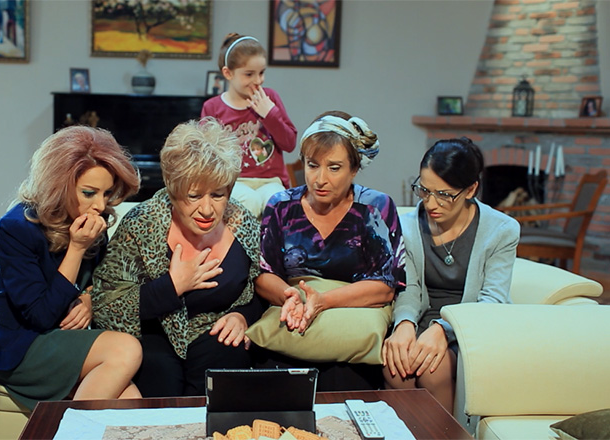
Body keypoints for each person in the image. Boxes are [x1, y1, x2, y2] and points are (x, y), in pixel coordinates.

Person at [91, 117, 263, 397]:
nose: (207, 209)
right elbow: (106, 305)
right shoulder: (142, 224)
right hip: (152, 334)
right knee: (160, 374)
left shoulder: (243, 223)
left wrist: (242, 316)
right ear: (173, 190)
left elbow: (260, 289)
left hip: (214, 334)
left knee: (229, 360)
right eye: (194, 196)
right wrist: (173, 286)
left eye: (218, 195)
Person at [0, 126, 143, 411]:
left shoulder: (92, 218)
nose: (100, 205)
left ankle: (70, 429)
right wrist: (76, 248)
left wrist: (88, 299)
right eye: (89, 193)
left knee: (131, 400)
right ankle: (73, 430)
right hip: (21, 343)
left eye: (106, 193)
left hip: (64, 337)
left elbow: (100, 279)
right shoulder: (16, 228)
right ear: (59, 185)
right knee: (126, 349)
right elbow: (40, 315)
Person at [254, 111, 406, 386]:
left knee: (343, 387)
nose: (320, 179)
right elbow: (264, 275)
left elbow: (385, 286)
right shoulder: (281, 205)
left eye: (334, 168)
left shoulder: (375, 207)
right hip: (292, 325)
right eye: (313, 165)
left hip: (353, 338)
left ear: (354, 169)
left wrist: (323, 301)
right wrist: (291, 296)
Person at [382, 137, 519, 413]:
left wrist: (443, 329)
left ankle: (449, 432)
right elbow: (409, 287)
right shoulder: (407, 226)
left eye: (444, 194)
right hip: (421, 320)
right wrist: (404, 324)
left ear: (471, 190)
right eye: (424, 190)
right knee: (395, 367)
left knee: (433, 370)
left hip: (470, 327)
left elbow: (493, 300)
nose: (431, 204)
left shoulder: (501, 230)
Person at [201, 33, 297, 217]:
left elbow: (290, 143)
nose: (258, 80)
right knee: (249, 201)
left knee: (279, 203)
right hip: (234, 182)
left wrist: (270, 114)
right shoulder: (212, 107)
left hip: (271, 181)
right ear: (228, 73)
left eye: (261, 73)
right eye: (249, 74)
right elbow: (206, 156)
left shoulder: (270, 98)